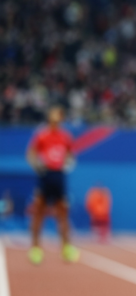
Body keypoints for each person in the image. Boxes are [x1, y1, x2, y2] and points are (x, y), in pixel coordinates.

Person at [26, 106, 79, 264]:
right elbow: (31, 154)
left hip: (58, 176)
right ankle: (35, 249)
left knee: (62, 213)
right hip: (45, 175)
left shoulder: (65, 136)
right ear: (49, 117)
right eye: (54, 114)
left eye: (60, 115)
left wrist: (68, 163)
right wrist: (37, 165)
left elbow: (70, 155)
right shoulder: (42, 135)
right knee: (39, 212)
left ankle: (66, 248)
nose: (57, 117)